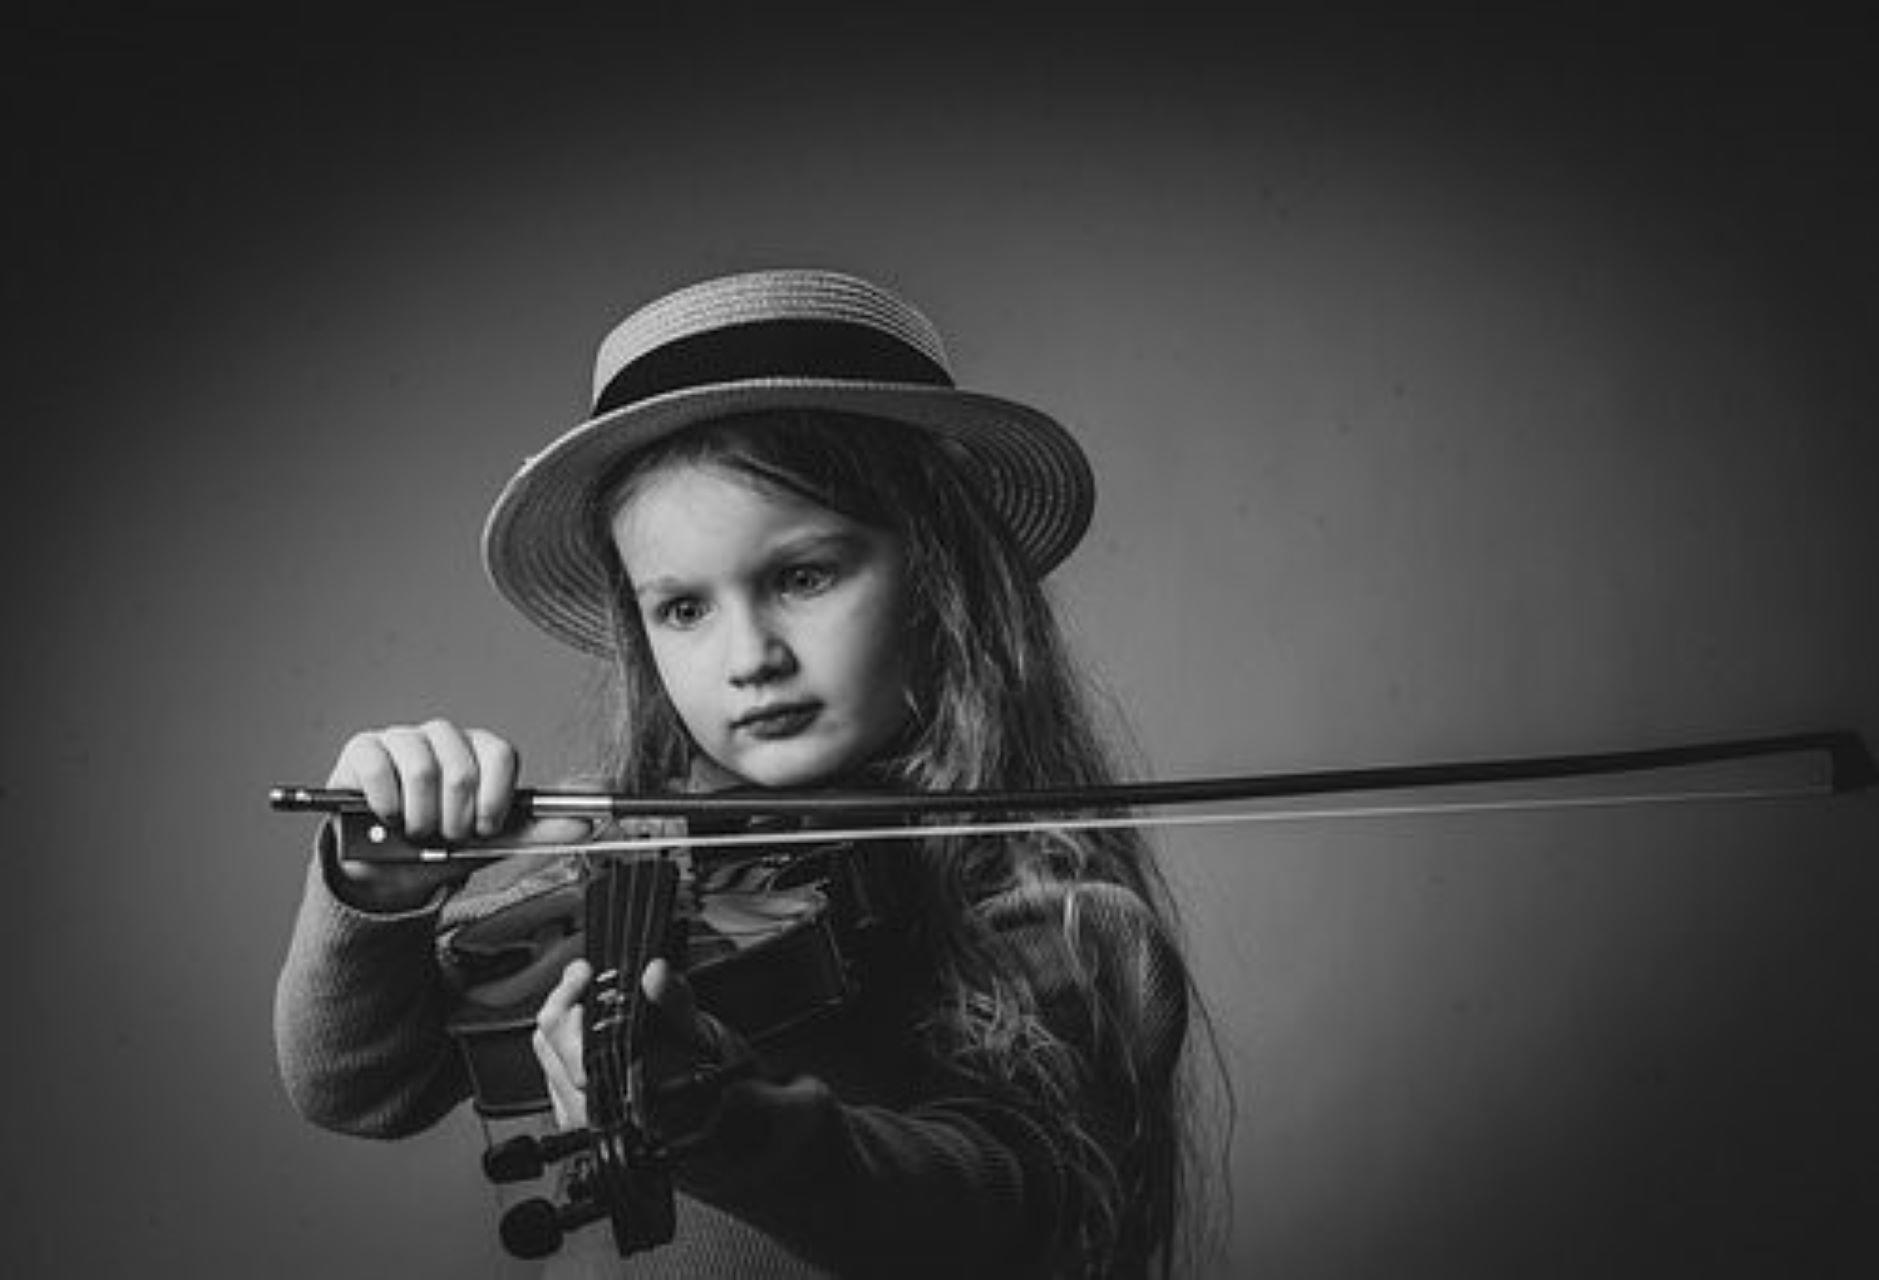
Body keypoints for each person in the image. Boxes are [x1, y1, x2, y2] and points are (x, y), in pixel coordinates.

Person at [275, 268, 1216, 1278]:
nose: (748, 652)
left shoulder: (1067, 920)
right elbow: (358, 1087)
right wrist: (375, 886)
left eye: (802, 575)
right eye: (684, 606)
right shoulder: (629, 876)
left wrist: (729, 1121)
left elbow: (987, 1204)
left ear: (941, 576)